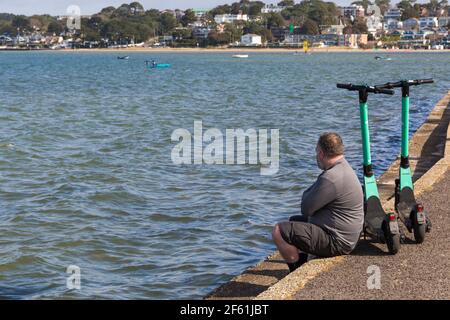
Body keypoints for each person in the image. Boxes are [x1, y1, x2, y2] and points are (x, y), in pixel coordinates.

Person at [272, 132, 364, 272]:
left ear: (321, 153)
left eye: (316, 152)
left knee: (279, 231)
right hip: (348, 235)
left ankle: (295, 271)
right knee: (294, 221)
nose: (316, 156)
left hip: (338, 241)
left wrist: (309, 193)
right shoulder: (343, 167)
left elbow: (306, 208)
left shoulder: (331, 177)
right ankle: (302, 265)